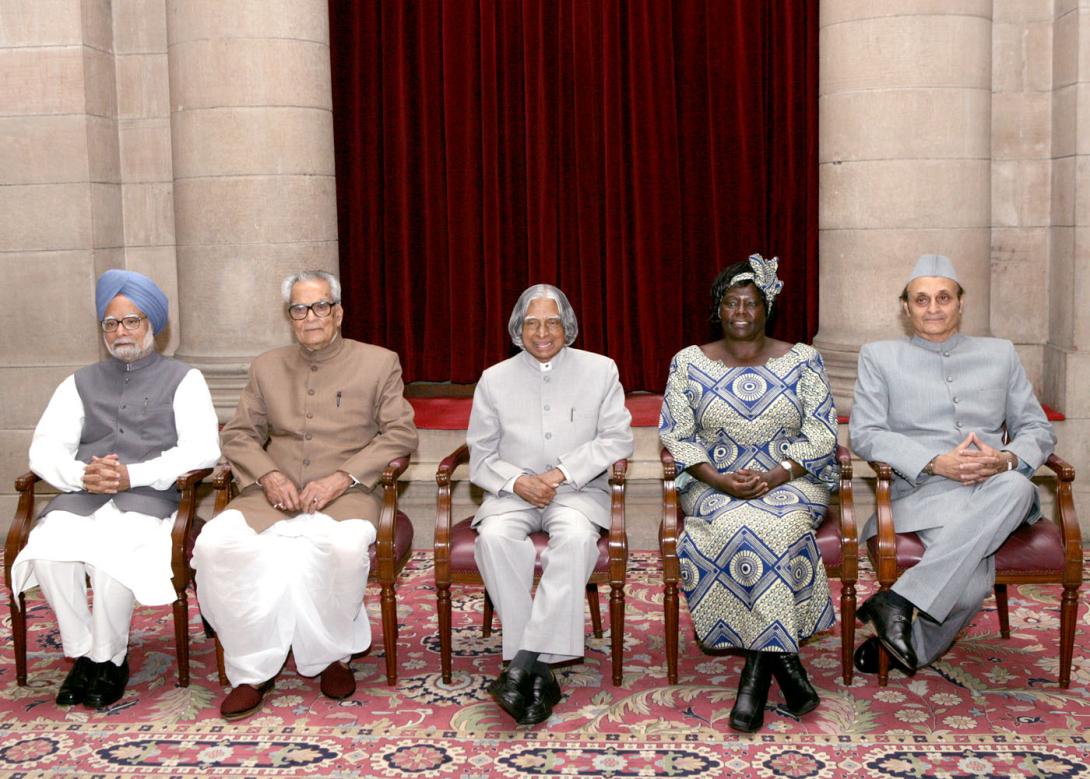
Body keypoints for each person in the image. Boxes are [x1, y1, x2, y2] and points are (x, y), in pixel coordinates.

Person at [192, 270, 418, 721]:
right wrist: (268, 475)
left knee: (341, 546)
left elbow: (400, 433)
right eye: (299, 308)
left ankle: (332, 655)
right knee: (214, 547)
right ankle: (251, 669)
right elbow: (239, 435)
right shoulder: (266, 366)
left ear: (337, 311)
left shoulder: (379, 362)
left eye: (319, 306)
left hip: (346, 496)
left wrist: (343, 478)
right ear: (289, 316)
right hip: (268, 496)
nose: (310, 316)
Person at [10, 270, 220, 709]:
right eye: (111, 323)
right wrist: (79, 475)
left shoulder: (185, 379)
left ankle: (111, 660)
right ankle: (86, 653)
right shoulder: (78, 382)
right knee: (46, 552)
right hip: (83, 498)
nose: (121, 331)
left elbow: (202, 450)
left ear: (153, 325)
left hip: (149, 501)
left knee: (112, 559)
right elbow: (44, 449)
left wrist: (133, 476)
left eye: (131, 320)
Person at [850, 254, 1054, 677]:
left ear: (961, 303)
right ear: (906, 308)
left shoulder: (1000, 354)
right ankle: (914, 640)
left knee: (1016, 485)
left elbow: (1036, 427)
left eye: (943, 297)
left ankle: (900, 602)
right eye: (921, 300)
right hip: (924, 495)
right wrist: (933, 463)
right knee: (968, 588)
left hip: (994, 491)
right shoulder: (880, 356)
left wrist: (1007, 458)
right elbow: (866, 434)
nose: (933, 308)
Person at [659, 255, 839, 733]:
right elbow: (677, 436)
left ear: (767, 308)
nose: (741, 311)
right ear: (718, 309)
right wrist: (720, 481)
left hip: (794, 482)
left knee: (774, 527)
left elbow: (822, 435)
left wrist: (776, 475)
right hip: (710, 483)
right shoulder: (688, 363)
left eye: (751, 303)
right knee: (736, 524)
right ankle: (786, 669)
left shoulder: (803, 359)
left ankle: (755, 678)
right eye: (731, 302)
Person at [467, 284, 634, 726]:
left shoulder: (601, 370)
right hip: (512, 493)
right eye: (532, 323)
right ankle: (538, 667)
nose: (543, 332)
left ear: (569, 327)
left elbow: (618, 439)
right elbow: (480, 458)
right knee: (495, 539)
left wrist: (560, 473)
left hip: (576, 490)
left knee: (577, 540)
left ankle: (521, 663)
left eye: (553, 321)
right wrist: (517, 481)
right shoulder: (494, 378)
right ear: (517, 330)